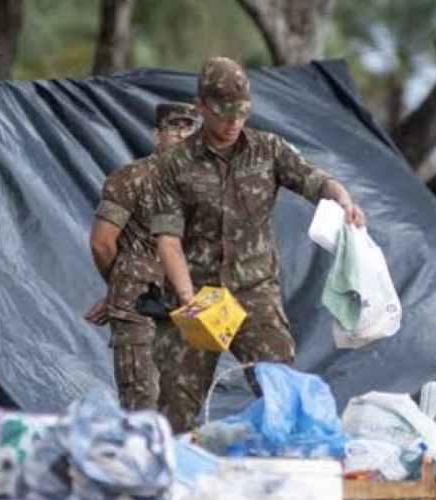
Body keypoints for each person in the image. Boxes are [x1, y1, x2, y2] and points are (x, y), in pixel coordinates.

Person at [151, 56, 366, 430]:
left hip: (253, 292)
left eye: (241, 113)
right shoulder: (175, 165)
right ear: (201, 106)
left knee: (282, 390)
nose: (234, 122)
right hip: (197, 294)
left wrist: (343, 199)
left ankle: (288, 471)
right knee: (176, 412)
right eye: (224, 114)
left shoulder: (268, 150)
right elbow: (168, 240)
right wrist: (187, 299)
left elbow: (316, 181)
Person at [86, 102, 201, 411]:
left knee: (181, 408)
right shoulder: (131, 178)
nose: (181, 134)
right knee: (143, 406)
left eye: (189, 127)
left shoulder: (202, 185)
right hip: (138, 307)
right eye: (174, 127)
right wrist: (120, 285)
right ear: (156, 134)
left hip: (185, 307)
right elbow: (102, 243)